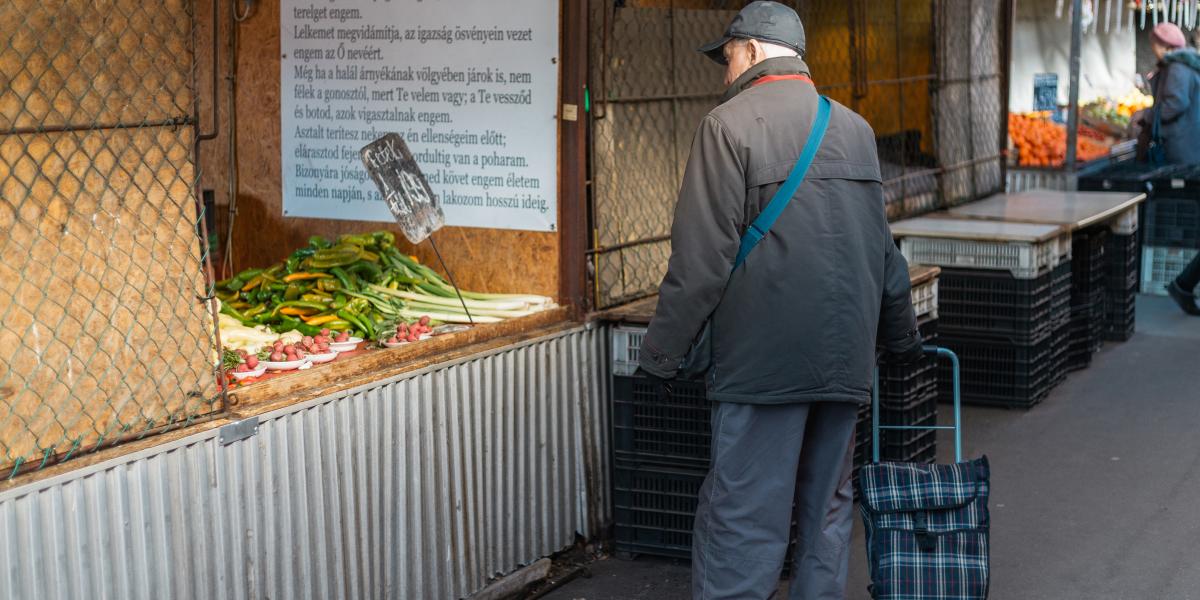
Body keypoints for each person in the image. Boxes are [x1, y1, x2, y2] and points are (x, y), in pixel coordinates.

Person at [634, 2, 922, 598]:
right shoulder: (856, 128)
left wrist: (660, 356)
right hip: (845, 360)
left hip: (762, 366)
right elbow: (883, 251)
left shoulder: (728, 126)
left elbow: (700, 263)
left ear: (756, 51)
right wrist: (902, 338)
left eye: (728, 55)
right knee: (828, 511)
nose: (724, 72)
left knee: (744, 517)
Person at [1143, 23, 1200, 314]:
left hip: (1186, 148)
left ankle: (1183, 284)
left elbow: (1175, 103)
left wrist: (1148, 117)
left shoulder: (1178, 68)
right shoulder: (1186, 65)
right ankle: (1183, 285)